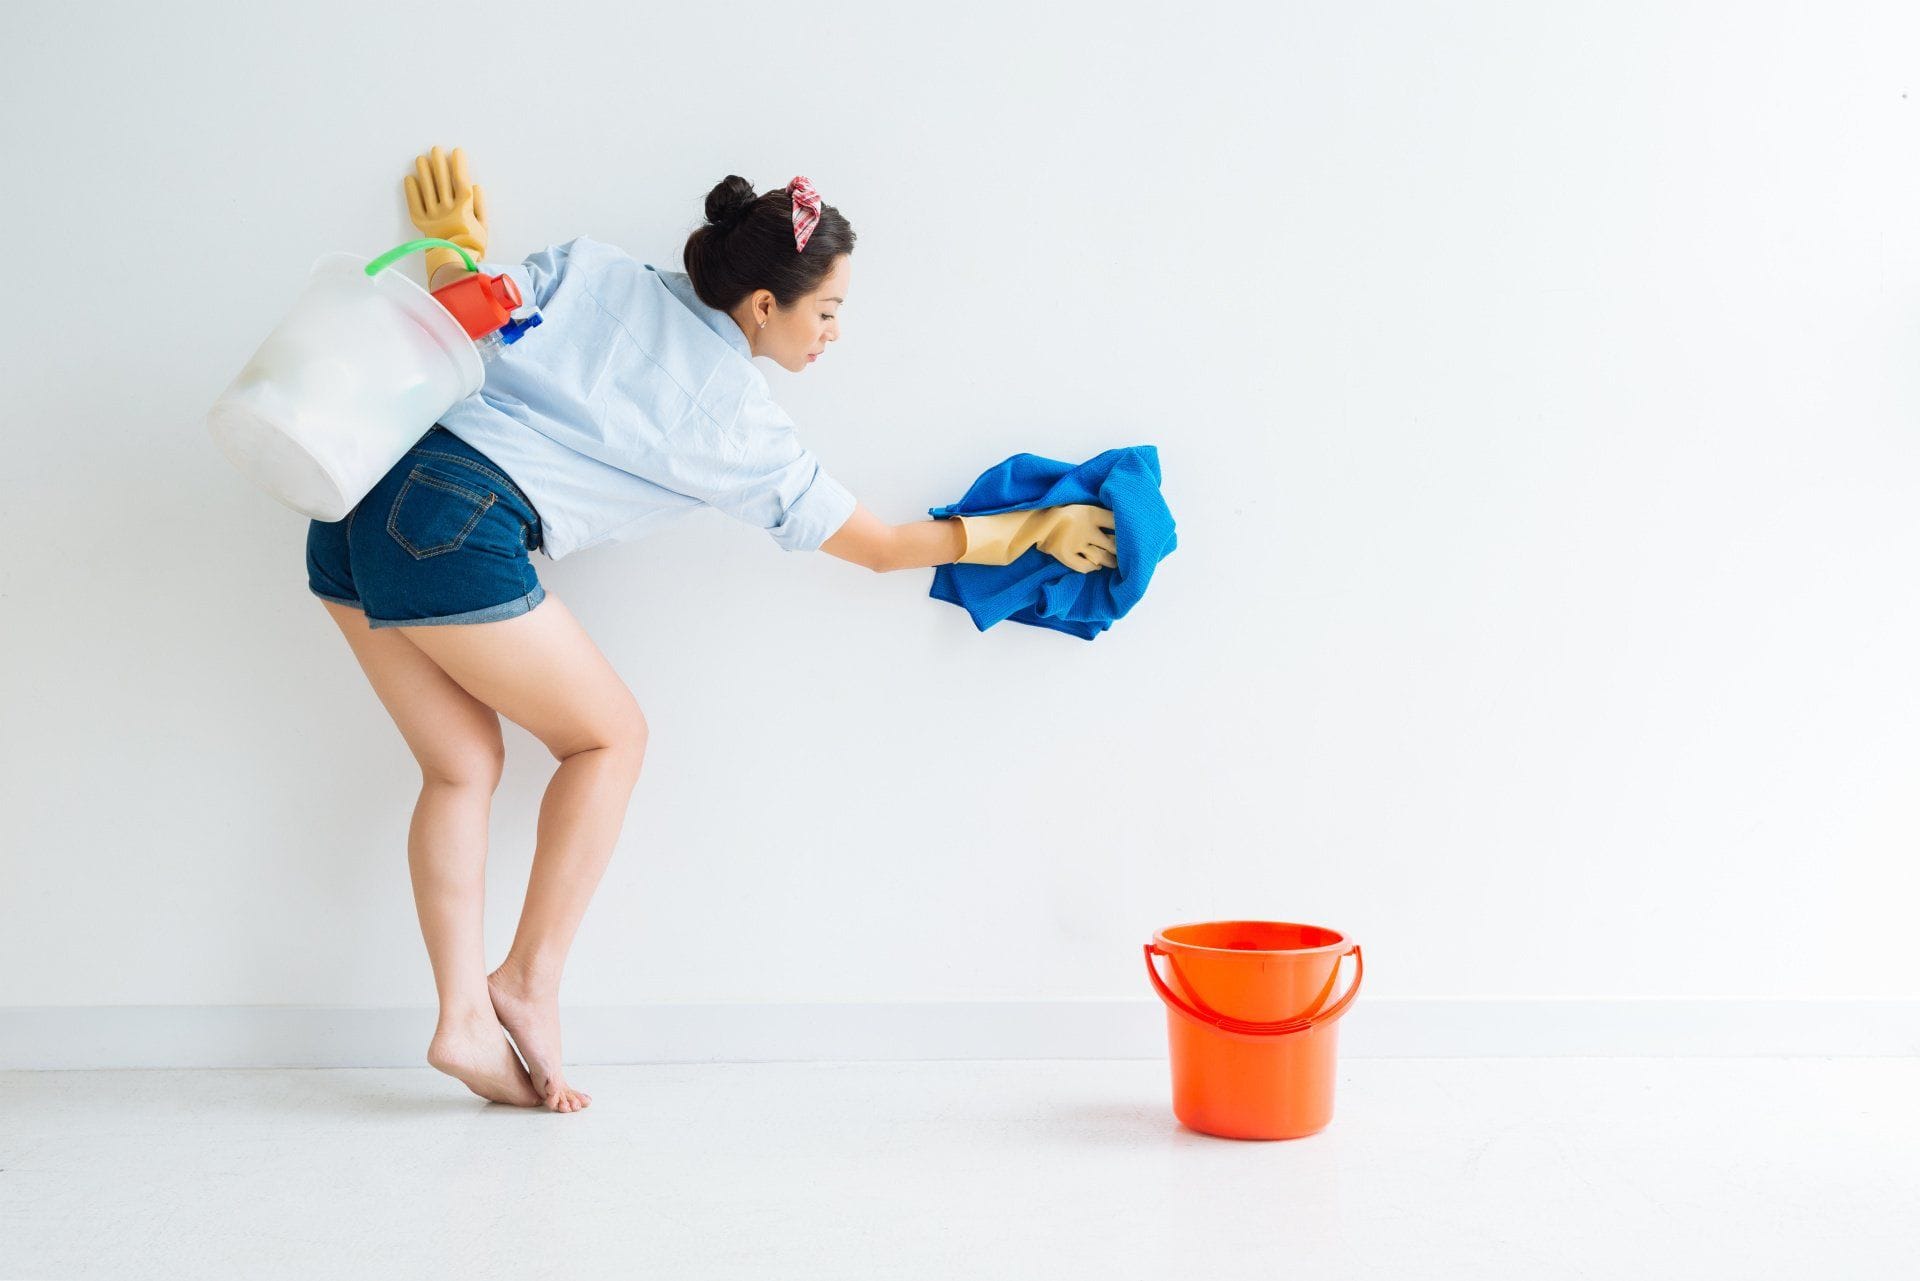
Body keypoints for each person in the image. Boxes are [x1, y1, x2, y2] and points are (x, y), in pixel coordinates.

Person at [305, 146, 1118, 1112]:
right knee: (610, 739)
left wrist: (452, 247)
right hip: (450, 520)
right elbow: (885, 546)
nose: (835, 333)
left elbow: (469, 317)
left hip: (355, 498)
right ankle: (521, 982)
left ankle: (463, 1022)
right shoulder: (736, 418)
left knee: (460, 766)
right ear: (765, 305)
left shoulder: (595, 269)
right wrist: (1034, 526)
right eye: (828, 310)